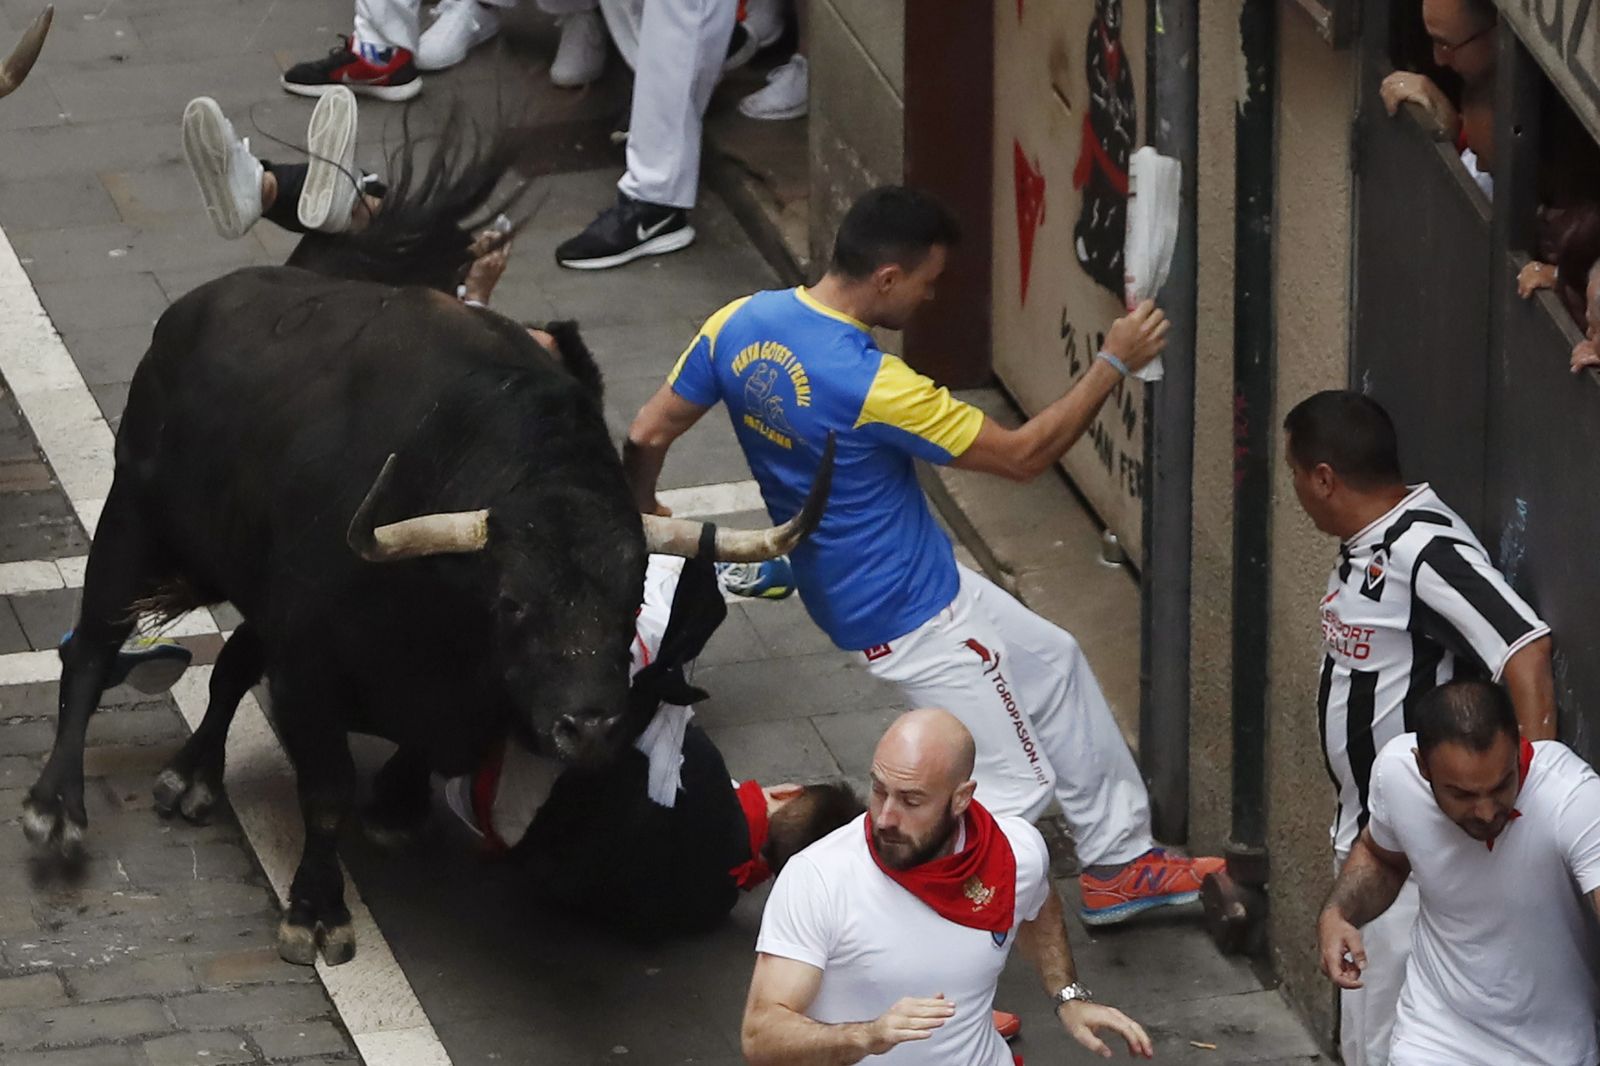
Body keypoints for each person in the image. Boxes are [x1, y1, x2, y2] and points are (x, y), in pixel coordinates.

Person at [625, 185, 1222, 930]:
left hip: (900, 584)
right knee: (1014, 788)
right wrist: (1113, 361)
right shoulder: (874, 384)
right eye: (928, 281)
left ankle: (1121, 865)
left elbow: (648, 432)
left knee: (1056, 661)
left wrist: (645, 508)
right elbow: (1024, 456)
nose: (931, 297)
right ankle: (889, 938)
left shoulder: (739, 324)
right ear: (886, 279)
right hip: (912, 616)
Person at [1283, 389, 1557, 1066]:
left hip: (1414, 855)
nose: (1293, 488)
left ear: (1324, 478)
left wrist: (1537, 789)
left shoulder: (1423, 548)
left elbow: (1524, 647)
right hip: (1367, 835)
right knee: (1367, 1032)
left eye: (1294, 471)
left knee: (1385, 1041)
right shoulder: (1366, 543)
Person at [446, 551, 862, 938]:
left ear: (788, 791)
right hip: (525, 857)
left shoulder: (698, 768)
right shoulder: (712, 907)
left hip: (494, 791)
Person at [741, 708, 1154, 1064]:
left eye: (911, 801)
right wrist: (867, 1036)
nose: (885, 817)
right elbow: (761, 1035)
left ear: (961, 799)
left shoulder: (1014, 854)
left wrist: (1068, 995)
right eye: (879, 790)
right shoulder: (819, 878)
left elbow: (1039, 906)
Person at [1317, 680, 1600, 1066]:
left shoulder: (1573, 797)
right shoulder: (1396, 774)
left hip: (1554, 1050)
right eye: (1463, 795)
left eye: (1501, 785)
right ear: (1423, 767)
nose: (1486, 811)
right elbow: (1382, 856)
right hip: (1434, 1037)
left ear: (1517, 745)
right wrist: (1338, 914)